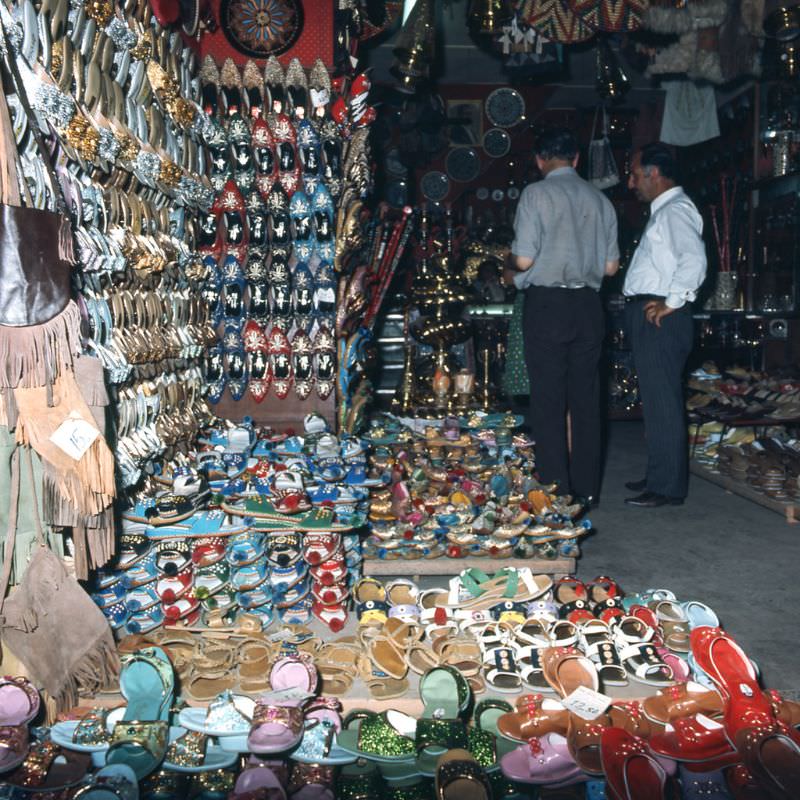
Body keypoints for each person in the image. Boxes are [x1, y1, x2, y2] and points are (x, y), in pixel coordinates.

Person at [503, 127, 619, 503]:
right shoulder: (601, 200)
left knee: (548, 401)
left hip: (548, 304)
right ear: (576, 159)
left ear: (539, 160)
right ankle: (587, 492)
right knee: (586, 400)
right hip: (588, 306)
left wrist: (509, 268)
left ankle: (555, 492)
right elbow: (611, 268)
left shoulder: (535, 194)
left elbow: (524, 259)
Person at [623, 143, 707, 508]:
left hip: (660, 318)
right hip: (652, 315)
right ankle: (660, 475)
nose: (631, 183)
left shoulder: (675, 211)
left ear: (654, 174)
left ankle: (667, 487)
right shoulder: (667, 211)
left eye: (635, 175)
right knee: (656, 402)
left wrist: (673, 302)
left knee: (663, 402)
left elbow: (694, 261)